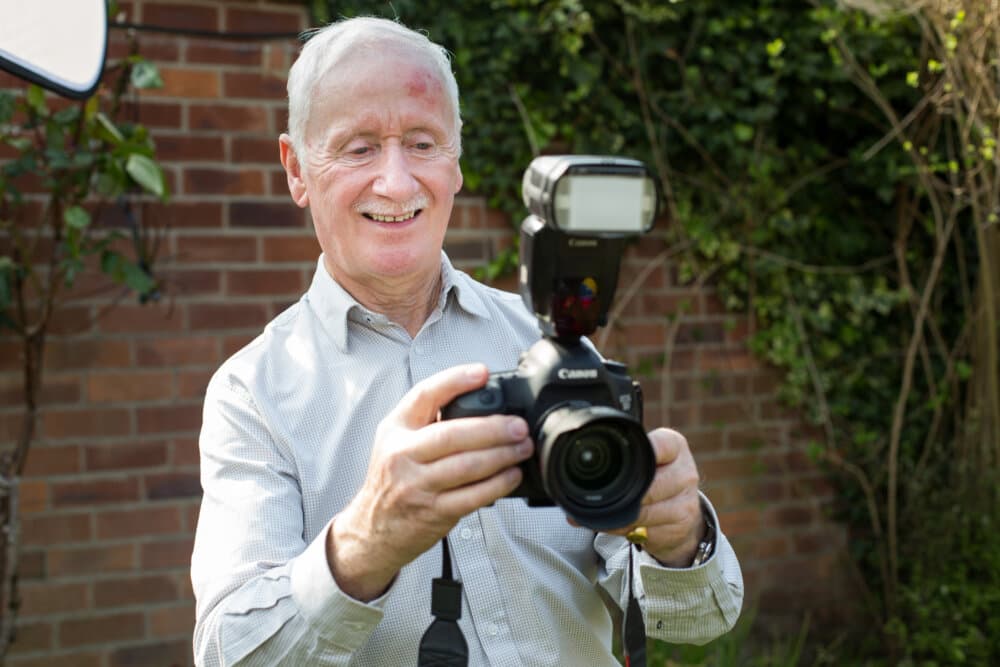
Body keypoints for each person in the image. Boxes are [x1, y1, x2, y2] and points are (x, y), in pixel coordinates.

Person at [191, 16, 743, 667]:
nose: (396, 183)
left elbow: (698, 620)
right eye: (359, 147)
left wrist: (677, 537)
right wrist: (365, 543)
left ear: (456, 161)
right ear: (296, 170)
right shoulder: (252, 393)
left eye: (422, 143)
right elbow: (229, 652)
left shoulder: (551, 346)